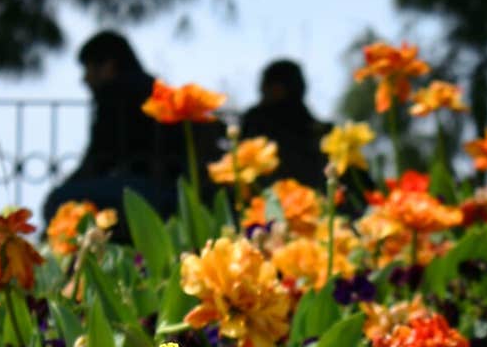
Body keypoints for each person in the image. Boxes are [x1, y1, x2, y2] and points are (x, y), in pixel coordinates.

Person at [43, 31, 221, 223]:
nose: (85, 79)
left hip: (145, 189)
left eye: (88, 69)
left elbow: (98, 159)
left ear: (108, 66)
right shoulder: (156, 90)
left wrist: (65, 187)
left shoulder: (114, 94)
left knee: (58, 203)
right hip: (179, 188)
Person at [239, 60, 330, 189]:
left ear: (277, 88)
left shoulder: (256, 120)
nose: (261, 93)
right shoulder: (322, 132)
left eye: (264, 87)